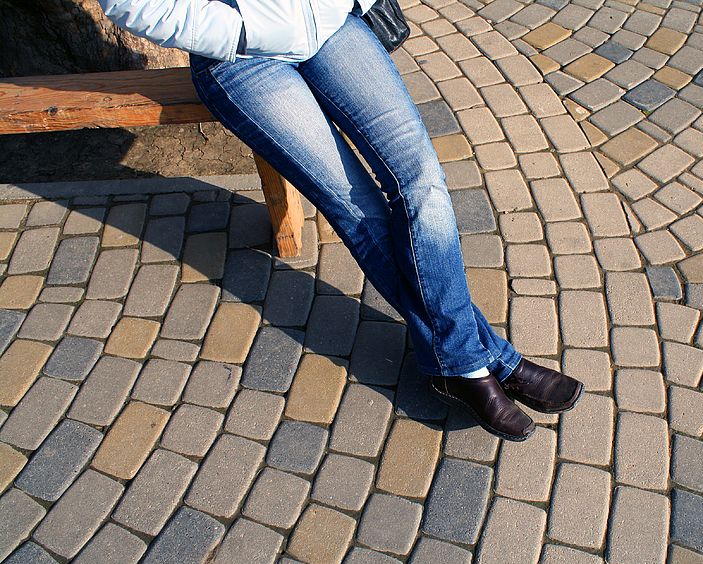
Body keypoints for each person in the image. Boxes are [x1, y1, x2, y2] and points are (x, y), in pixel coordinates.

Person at [98, 0, 585, 441]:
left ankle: (463, 365)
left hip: (332, 26)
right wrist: (239, 30)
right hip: (242, 57)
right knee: (360, 209)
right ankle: (488, 362)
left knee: (423, 182)